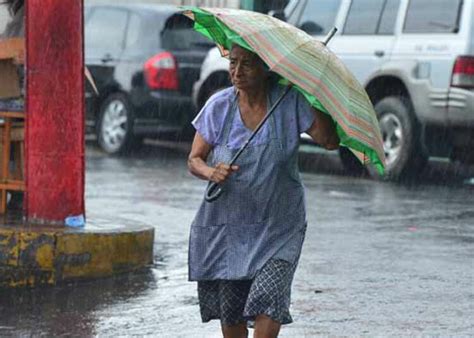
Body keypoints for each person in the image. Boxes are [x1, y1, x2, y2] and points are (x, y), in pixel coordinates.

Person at [187, 44, 339, 338]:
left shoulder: (290, 102)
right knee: (231, 312)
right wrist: (211, 171)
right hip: (230, 228)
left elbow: (330, 141)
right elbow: (194, 160)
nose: (237, 71)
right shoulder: (219, 107)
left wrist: (314, 93)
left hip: (279, 226)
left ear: (267, 68)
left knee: (271, 298)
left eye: (247, 64)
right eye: (233, 62)